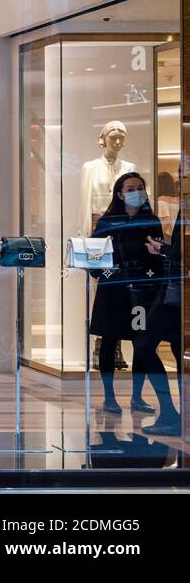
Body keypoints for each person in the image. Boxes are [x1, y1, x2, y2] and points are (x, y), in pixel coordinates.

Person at [90, 173, 162, 416]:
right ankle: (110, 398)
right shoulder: (107, 222)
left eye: (140, 188)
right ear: (120, 194)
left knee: (141, 341)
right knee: (110, 340)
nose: (136, 192)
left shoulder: (151, 220)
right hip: (113, 290)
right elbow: (94, 256)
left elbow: (158, 254)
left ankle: (137, 397)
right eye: (130, 188)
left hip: (142, 290)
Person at [137, 218, 185, 435]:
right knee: (179, 348)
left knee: (145, 345)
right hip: (176, 286)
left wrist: (163, 249)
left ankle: (170, 414)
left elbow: (182, 253)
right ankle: (177, 417)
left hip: (178, 290)